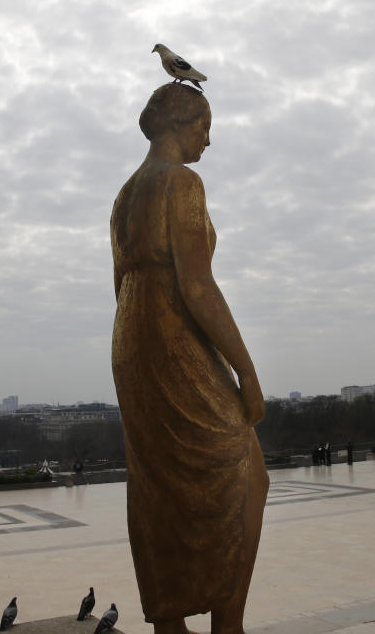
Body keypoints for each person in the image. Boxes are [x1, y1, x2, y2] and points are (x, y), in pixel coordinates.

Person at [111, 83, 269, 634]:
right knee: (246, 472)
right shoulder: (182, 182)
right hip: (173, 332)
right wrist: (245, 371)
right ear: (180, 121)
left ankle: (169, 625)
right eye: (205, 125)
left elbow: (119, 284)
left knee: (157, 482)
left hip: (133, 339)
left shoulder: (126, 194)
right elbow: (198, 285)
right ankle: (229, 624)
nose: (209, 137)